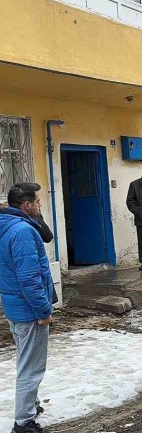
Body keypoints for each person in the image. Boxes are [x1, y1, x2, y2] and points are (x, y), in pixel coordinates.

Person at [0, 183, 55, 433]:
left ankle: (30, 404)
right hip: (29, 310)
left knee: (26, 361)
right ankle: (24, 422)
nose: (40, 205)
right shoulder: (22, 231)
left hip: (15, 306)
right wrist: (43, 311)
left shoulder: (7, 225)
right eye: (38, 202)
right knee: (31, 368)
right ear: (26, 205)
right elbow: (30, 278)